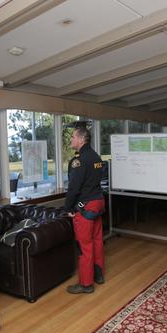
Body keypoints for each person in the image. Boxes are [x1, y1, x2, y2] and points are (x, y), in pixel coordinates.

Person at [64, 126, 106, 294]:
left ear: (81, 139)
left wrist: (67, 207)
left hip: (85, 207)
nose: (71, 140)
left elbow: (74, 188)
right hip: (98, 203)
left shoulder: (79, 160)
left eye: (73, 137)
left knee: (84, 246)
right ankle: (98, 274)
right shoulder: (96, 156)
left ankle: (86, 284)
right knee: (96, 241)